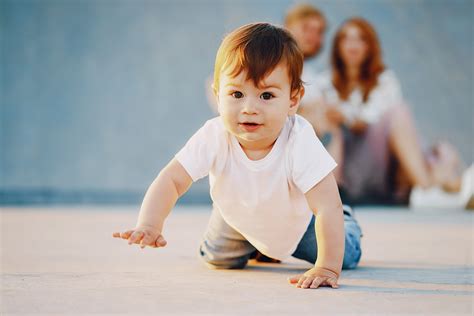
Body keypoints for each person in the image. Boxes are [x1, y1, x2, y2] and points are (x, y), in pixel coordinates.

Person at [113, 23, 362, 289]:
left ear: (293, 99)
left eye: (266, 95)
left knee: (345, 255)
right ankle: (258, 246)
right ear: (218, 95)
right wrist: (150, 223)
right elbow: (172, 179)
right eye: (236, 94)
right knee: (216, 259)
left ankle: (347, 222)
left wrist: (326, 267)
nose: (249, 108)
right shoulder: (214, 135)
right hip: (236, 217)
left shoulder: (299, 139)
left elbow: (325, 206)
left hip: (295, 224)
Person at [311, 17, 465, 205]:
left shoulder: (385, 81)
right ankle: (432, 186)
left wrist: (345, 116)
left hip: (381, 164)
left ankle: (427, 187)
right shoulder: (324, 83)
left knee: (399, 112)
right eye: (346, 39)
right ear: (338, 46)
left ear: (370, 46)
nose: (353, 45)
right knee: (321, 113)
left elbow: (365, 123)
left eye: (360, 39)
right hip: (346, 165)